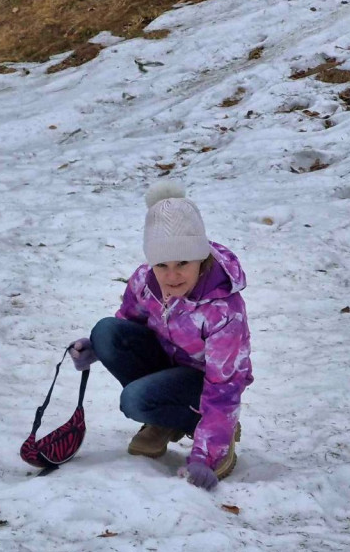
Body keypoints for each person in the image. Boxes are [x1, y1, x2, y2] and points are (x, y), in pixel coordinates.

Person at [70, 180, 253, 490]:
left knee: (134, 400)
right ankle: (162, 418)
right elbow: (128, 325)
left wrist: (206, 458)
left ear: (201, 257)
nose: (172, 276)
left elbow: (225, 385)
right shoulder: (145, 281)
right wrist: (97, 348)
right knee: (106, 331)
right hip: (168, 364)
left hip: (206, 384)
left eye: (183, 263)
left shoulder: (223, 310)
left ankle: (206, 430)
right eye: (162, 265)